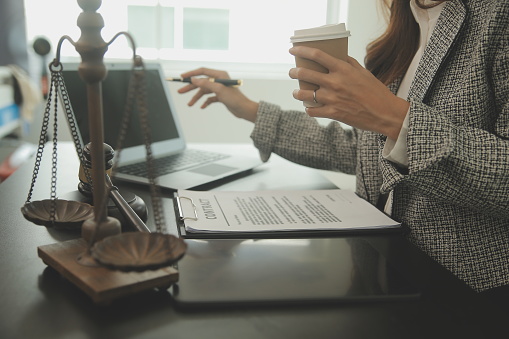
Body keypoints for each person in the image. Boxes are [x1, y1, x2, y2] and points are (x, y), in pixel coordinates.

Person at [177, 0, 509, 301]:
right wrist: (248, 108)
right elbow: (362, 149)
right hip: (382, 268)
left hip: (465, 292)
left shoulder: (498, 16)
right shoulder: (406, 29)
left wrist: (396, 118)